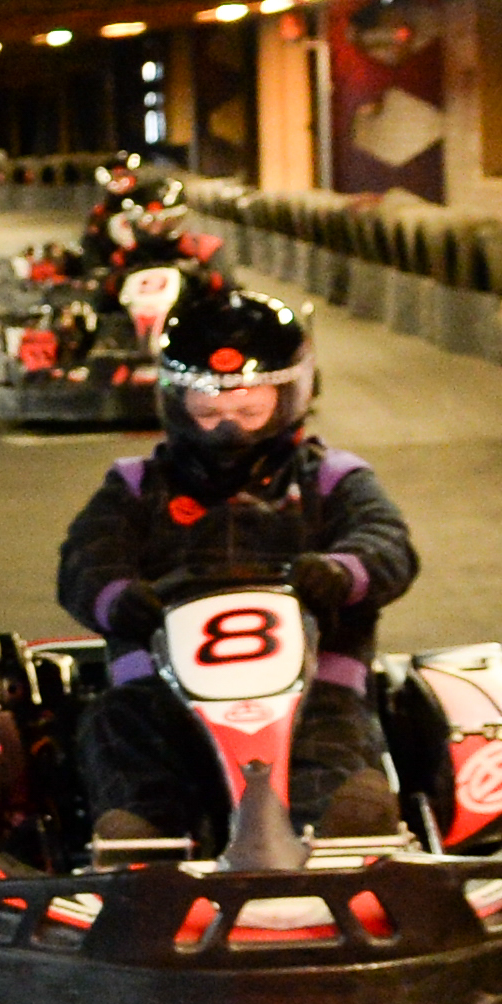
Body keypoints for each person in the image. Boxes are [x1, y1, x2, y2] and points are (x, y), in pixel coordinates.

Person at [53, 282, 417, 843]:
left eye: (248, 410)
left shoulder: (330, 478)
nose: (228, 427)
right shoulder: (137, 485)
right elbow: (86, 557)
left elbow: (387, 541)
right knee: (116, 725)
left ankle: (336, 829)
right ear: (176, 403)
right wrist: (120, 597)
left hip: (312, 679)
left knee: (335, 735)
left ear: (289, 398)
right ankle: (147, 839)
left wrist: (340, 572)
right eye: (209, 410)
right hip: (163, 682)